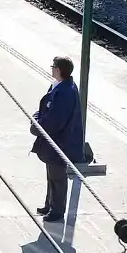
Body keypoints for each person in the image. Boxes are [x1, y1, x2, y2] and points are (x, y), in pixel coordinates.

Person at [30, 56, 84, 223]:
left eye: (53, 66)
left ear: (59, 70)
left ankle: (57, 211)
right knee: (51, 176)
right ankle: (50, 205)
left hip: (59, 143)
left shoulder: (64, 92)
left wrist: (36, 125)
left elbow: (55, 120)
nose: (51, 68)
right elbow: (47, 109)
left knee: (57, 178)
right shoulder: (62, 86)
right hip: (54, 142)